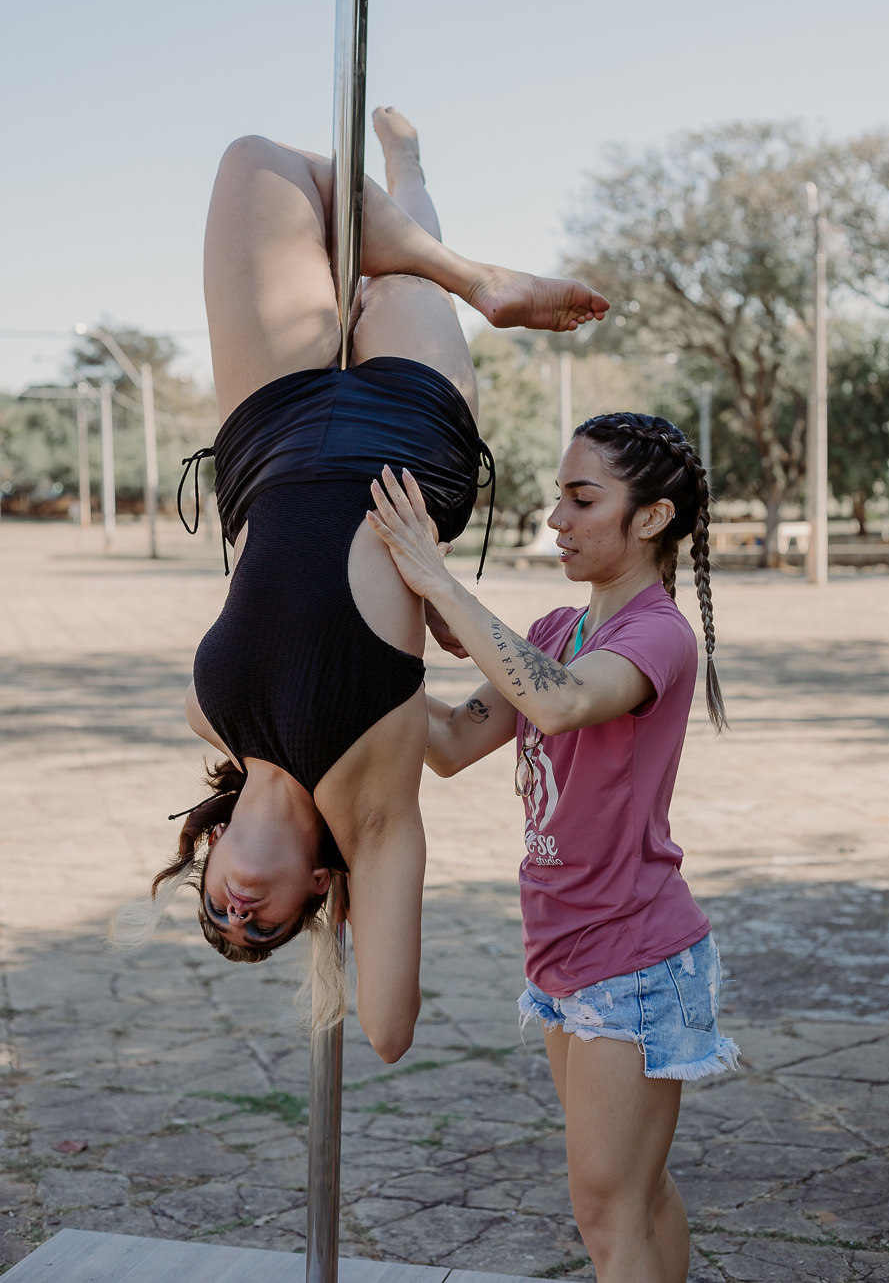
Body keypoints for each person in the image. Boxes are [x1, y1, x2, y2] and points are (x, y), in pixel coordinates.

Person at [115, 109, 608, 1063]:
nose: (239, 912)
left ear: (205, 861)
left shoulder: (210, 716)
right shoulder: (373, 813)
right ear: (314, 893)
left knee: (256, 161)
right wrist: (345, 925)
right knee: (394, 275)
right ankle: (440, 226)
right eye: (263, 928)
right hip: (406, 439)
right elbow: (387, 1032)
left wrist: (424, 611)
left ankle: (463, 265)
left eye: (217, 914)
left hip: (270, 435)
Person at [366, 417, 738, 1280]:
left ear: (652, 518)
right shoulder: (557, 628)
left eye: (583, 500)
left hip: (633, 956)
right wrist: (362, 648)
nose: (556, 519)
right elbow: (450, 743)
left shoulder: (657, 634)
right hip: (561, 948)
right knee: (635, 1196)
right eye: (558, 498)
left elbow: (562, 703)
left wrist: (440, 580)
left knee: (608, 1212)